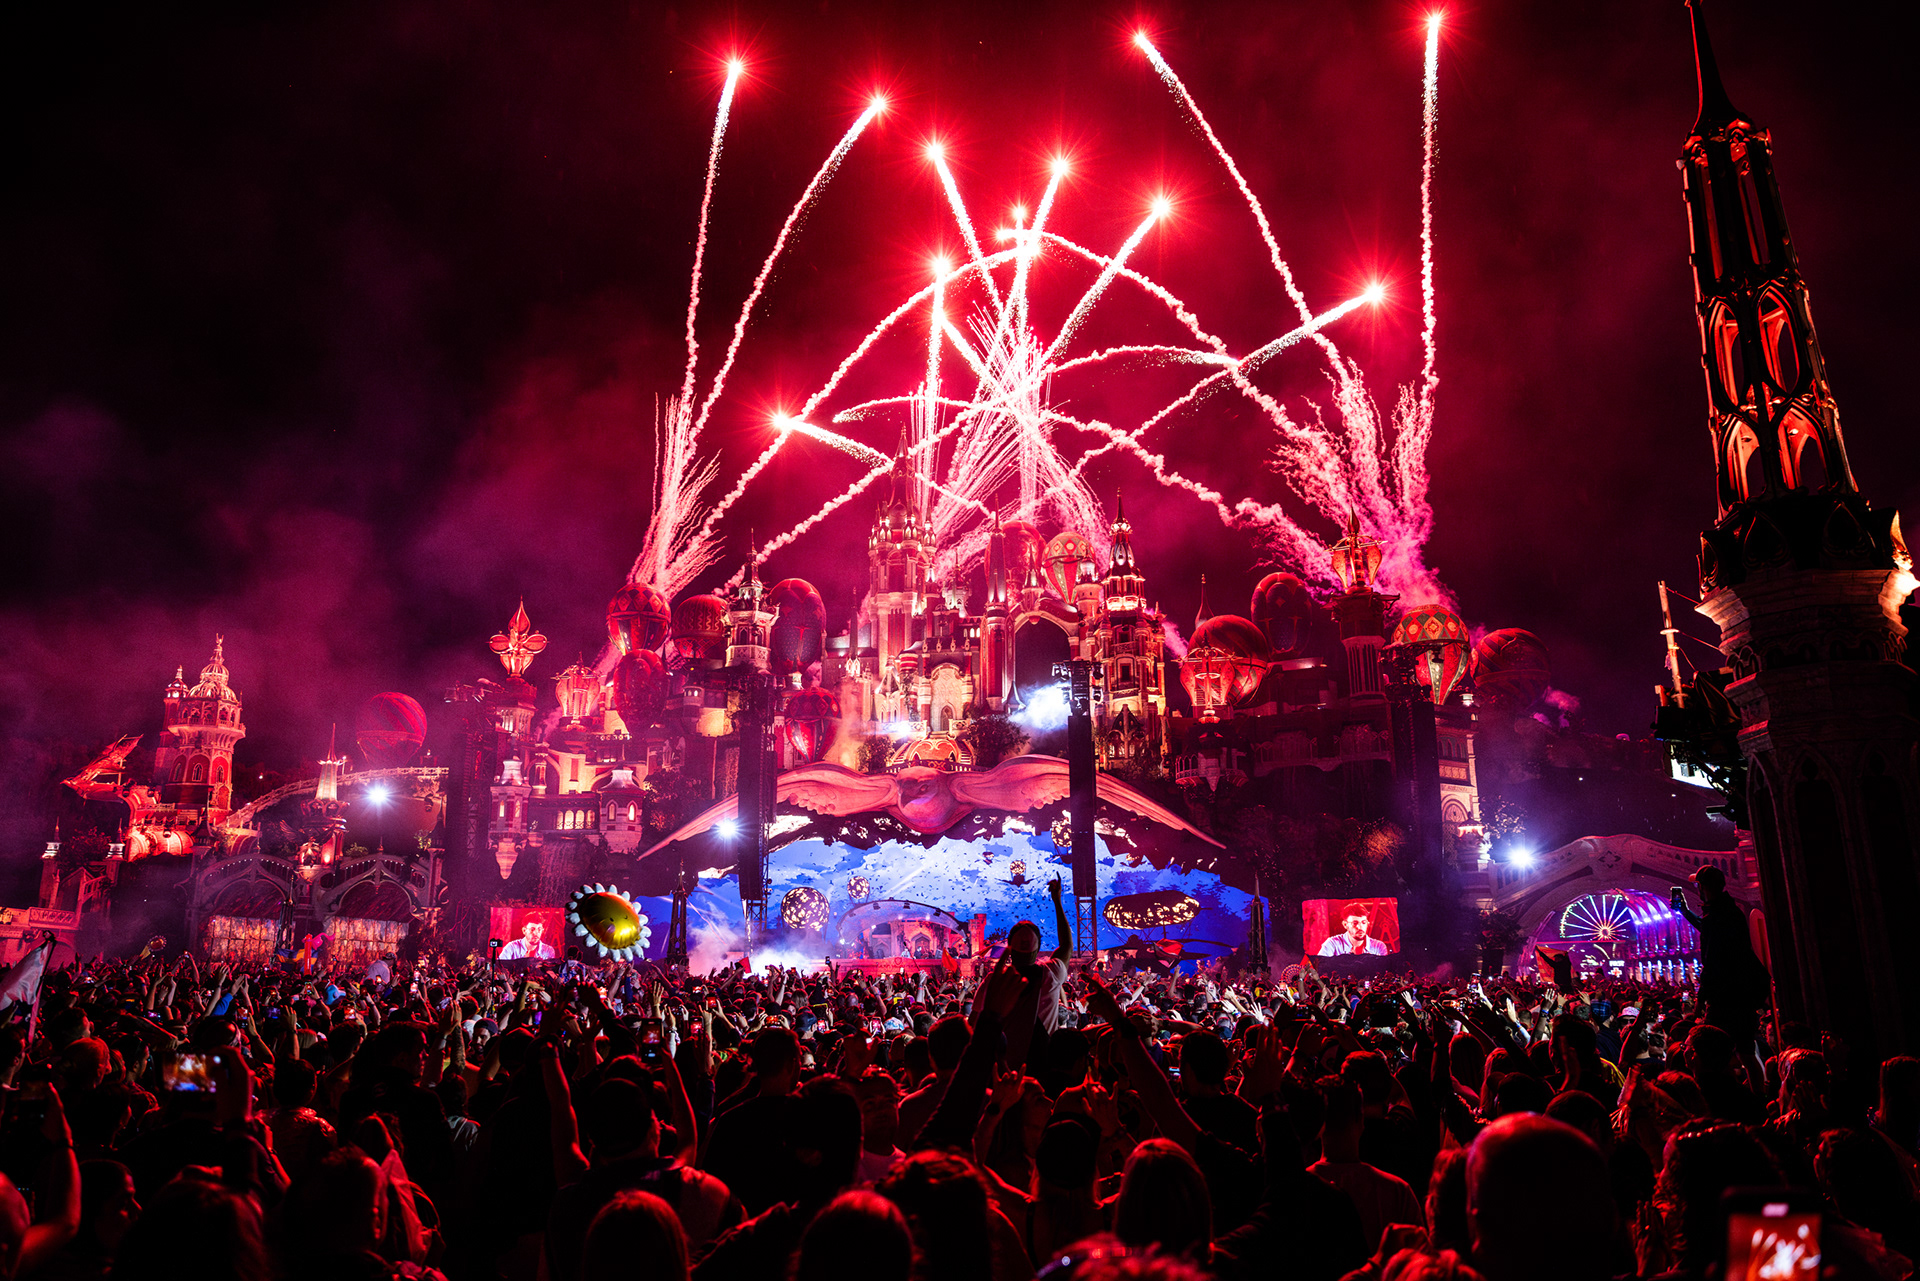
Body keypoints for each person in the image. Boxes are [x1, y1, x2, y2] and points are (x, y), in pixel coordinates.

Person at [1319, 907, 1390, 957]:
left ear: (1368, 923)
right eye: (1355, 923)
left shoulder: (1379, 947)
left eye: (1363, 922)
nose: (1360, 927)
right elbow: (1319, 968)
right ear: (1345, 924)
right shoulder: (1332, 944)